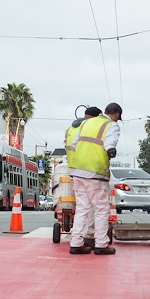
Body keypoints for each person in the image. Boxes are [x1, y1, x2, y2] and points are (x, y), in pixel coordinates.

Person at [68, 102, 123, 255]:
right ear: (117, 115)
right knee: (101, 209)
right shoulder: (111, 125)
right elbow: (109, 142)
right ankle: (101, 244)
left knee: (82, 208)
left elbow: (73, 144)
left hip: (77, 171)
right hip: (95, 172)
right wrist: (110, 149)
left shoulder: (86, 123)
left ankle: (76, 243)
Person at [61, 106, 102, 248]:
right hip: (88, 170)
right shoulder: (89, 129)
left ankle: (77, 238)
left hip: (73, 170)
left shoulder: (70, 130)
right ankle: (89, 236)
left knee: (82, 206)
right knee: (91, 207)